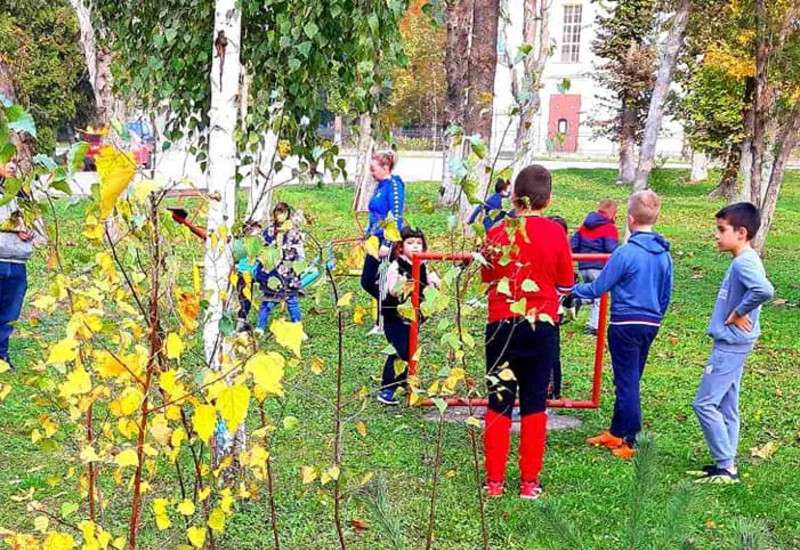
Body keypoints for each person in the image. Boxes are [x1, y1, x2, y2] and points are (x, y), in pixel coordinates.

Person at [481, 165, 575, 500]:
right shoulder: (555, 234)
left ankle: (493, 482)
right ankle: (528, 483)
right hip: (541, 327)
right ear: (547, 200)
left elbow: (485, 276)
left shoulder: (496, 232)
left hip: (501, 325)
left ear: (514, 195)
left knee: (498, 400)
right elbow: (566, 283)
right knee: (535, 402)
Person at [573, 190, 672, 459]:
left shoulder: (625, 253)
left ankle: (632, 440)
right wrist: (656, 317)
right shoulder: (664, 254)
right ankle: (617, 431)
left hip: (625, 323)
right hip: (650, 324)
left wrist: (571, 290)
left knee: (627, 383)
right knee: (630, 379)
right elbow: (666, 293)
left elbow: (599, 287)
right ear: (657, 217)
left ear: (629, 220)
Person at [689, 203, 774, 484]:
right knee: (727, 405)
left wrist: (739, 311)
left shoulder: (745, 262)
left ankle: (726, 467)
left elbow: (764, 290)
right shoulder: (743, 260)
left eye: (721, 230)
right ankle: (726, 464)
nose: (716, 235)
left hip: (730, 346)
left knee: (704, 404)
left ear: (741, 233)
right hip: (735, 344)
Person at [376, 226, 439, 405]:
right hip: (394, 317)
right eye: (410, 243)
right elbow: (392, 290)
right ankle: (387, 387)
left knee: (410, 350)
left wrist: (433, 285)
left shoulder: (424, 265)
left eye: (419, 243)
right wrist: (402, 285)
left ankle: (404, 381)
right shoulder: (397, 266)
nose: (415, 247)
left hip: (414, 317)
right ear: (400, 247)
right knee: (400, 350)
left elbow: (433, 283)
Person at [360, 151, 405, 335]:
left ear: (385, 167)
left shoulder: (394, 185)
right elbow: (374, 214)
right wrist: (367, 233)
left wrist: (387, 242)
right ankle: (389, 313)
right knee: (368, 281)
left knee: (379, 281)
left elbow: (396, 216)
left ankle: (386, 319)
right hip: (374, 239)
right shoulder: (380, 185)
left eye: (373, 169)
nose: (371, 172)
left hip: (386, 241)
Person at [0, 160, 35, 371]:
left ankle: (1, 357)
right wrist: (14, 228)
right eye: (6, 160)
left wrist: (30, 228)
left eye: (15, 161)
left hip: (18, 262)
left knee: (9, 315)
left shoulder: (21, 193)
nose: (12, 165)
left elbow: (37, 221)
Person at [570, 199, 619, 335]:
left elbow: (573, 245)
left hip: (583, 265)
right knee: (600, 296)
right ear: (612, 213)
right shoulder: (609, 228)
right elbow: (611, 248)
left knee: (591, 291)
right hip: (599, 266)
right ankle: (593, 326)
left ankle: (577, 299)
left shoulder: (584, 227)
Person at [255, 202, 305, 328]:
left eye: (283, 213)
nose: (280, 216)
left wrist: (298, 265)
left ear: (288, 214)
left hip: (288, 270)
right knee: (267, 300)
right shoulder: (269, 231)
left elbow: (300, 251)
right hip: (271, 271)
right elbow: (262, 249)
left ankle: (297, 325)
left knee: (292, 300)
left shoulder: (294, 232)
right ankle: (260, 327)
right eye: (278, 213)